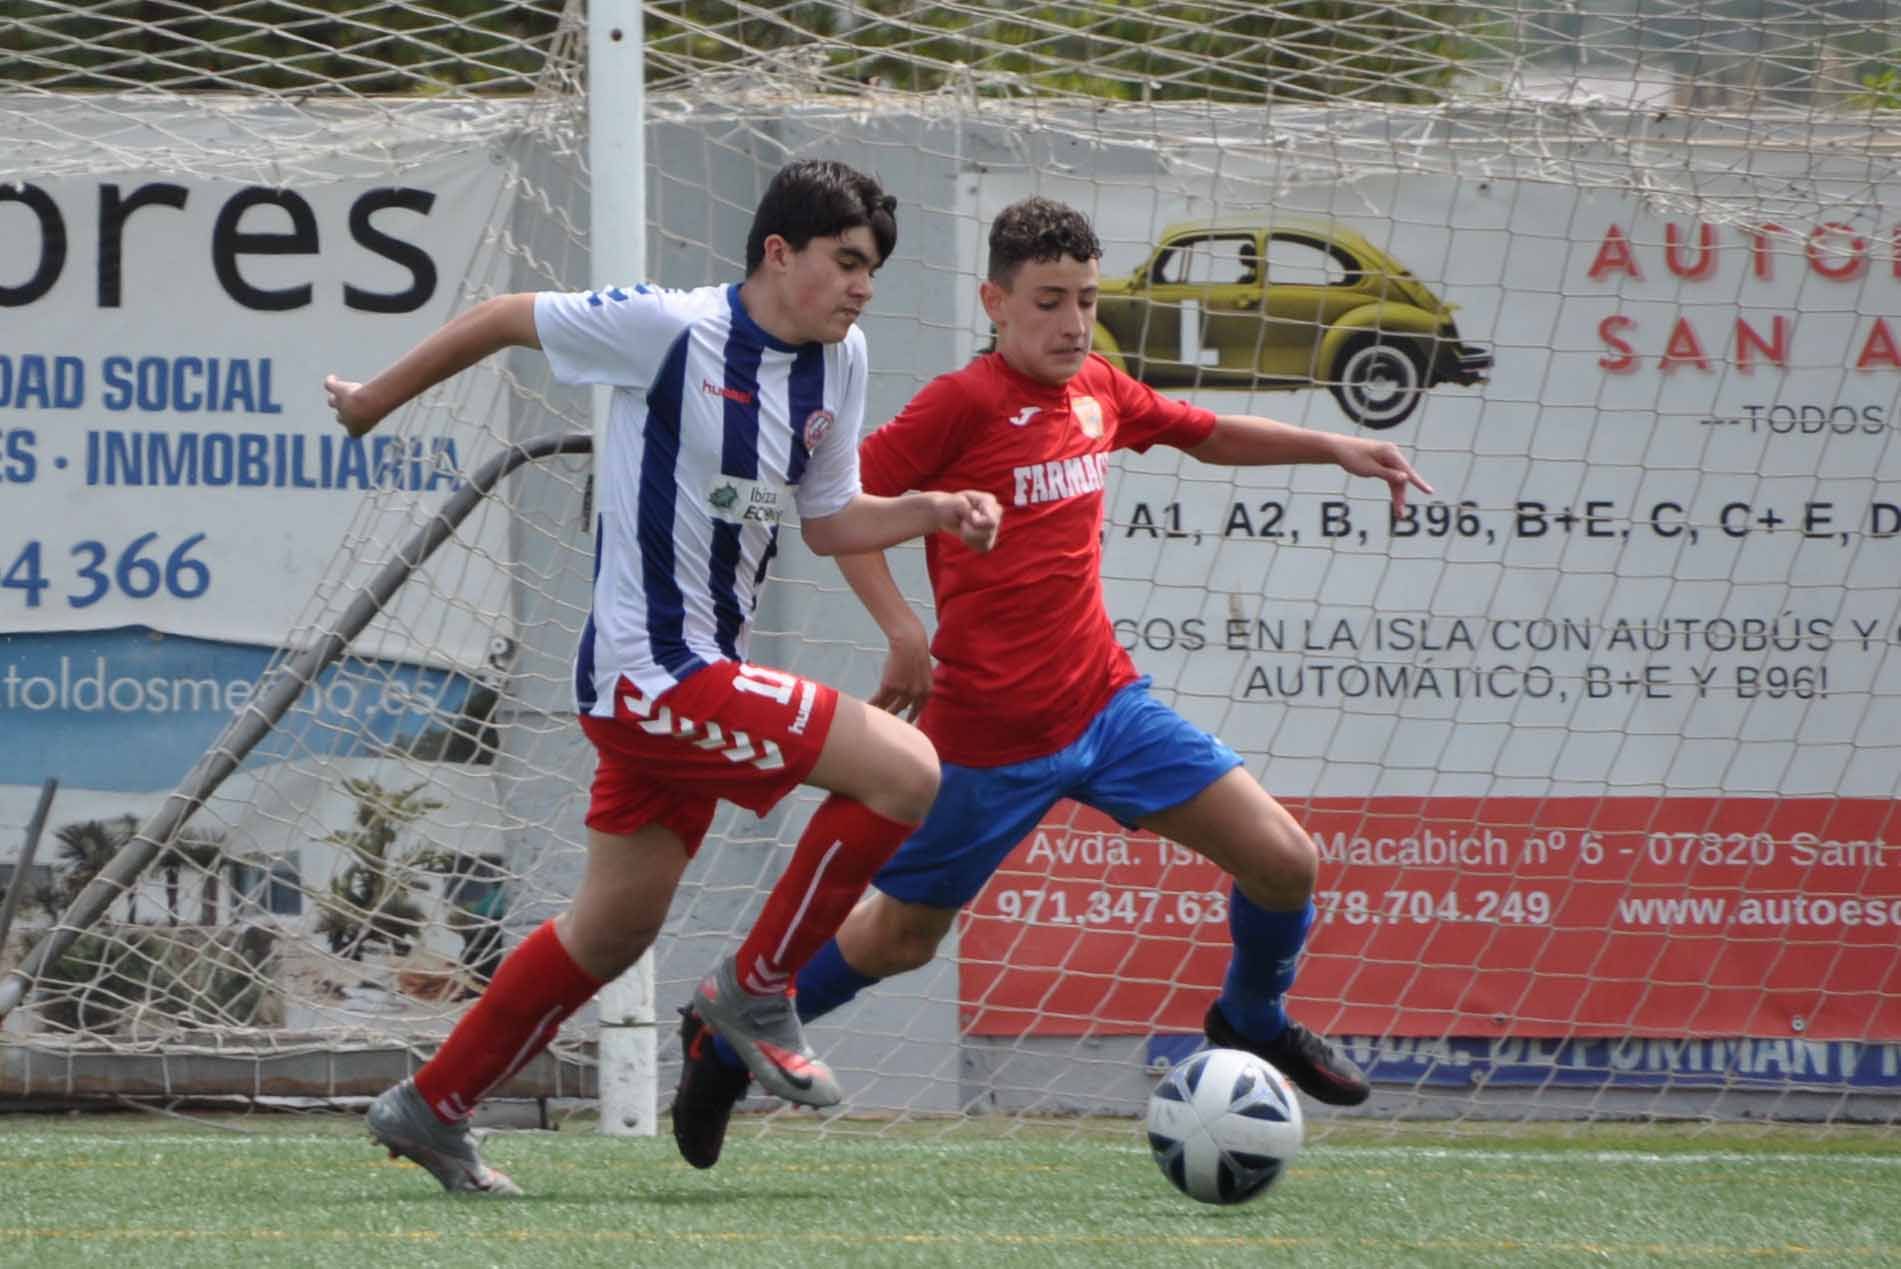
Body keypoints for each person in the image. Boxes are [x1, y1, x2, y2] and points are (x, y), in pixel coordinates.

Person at [671, 196, 1430, 1169]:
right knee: (901, 940)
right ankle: (725, 1040)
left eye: (1083, 298)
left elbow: (1201, 431)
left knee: (1284, 861)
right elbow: (840, 504)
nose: (1071, 322)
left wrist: (1332, 446)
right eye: (1046, 302)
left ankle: (1248, 1018)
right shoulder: (961, 404)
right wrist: (903, 627)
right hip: (983, 740)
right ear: (994, 301)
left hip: (1107, 710)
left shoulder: (1098, 389)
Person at [327, 159, 1001, 1196]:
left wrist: (932, 509)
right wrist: (375, 399)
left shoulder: (839, 356)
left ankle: (432, 1105)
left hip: (695, 678)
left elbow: (829, 522)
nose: (864, 286)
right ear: (779, 253)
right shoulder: (670, 329)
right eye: (848, 263)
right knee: (907, 772)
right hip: (653, 677)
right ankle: (759, 990)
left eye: (874, 268)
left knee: (611, 927)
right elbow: (507, 315)